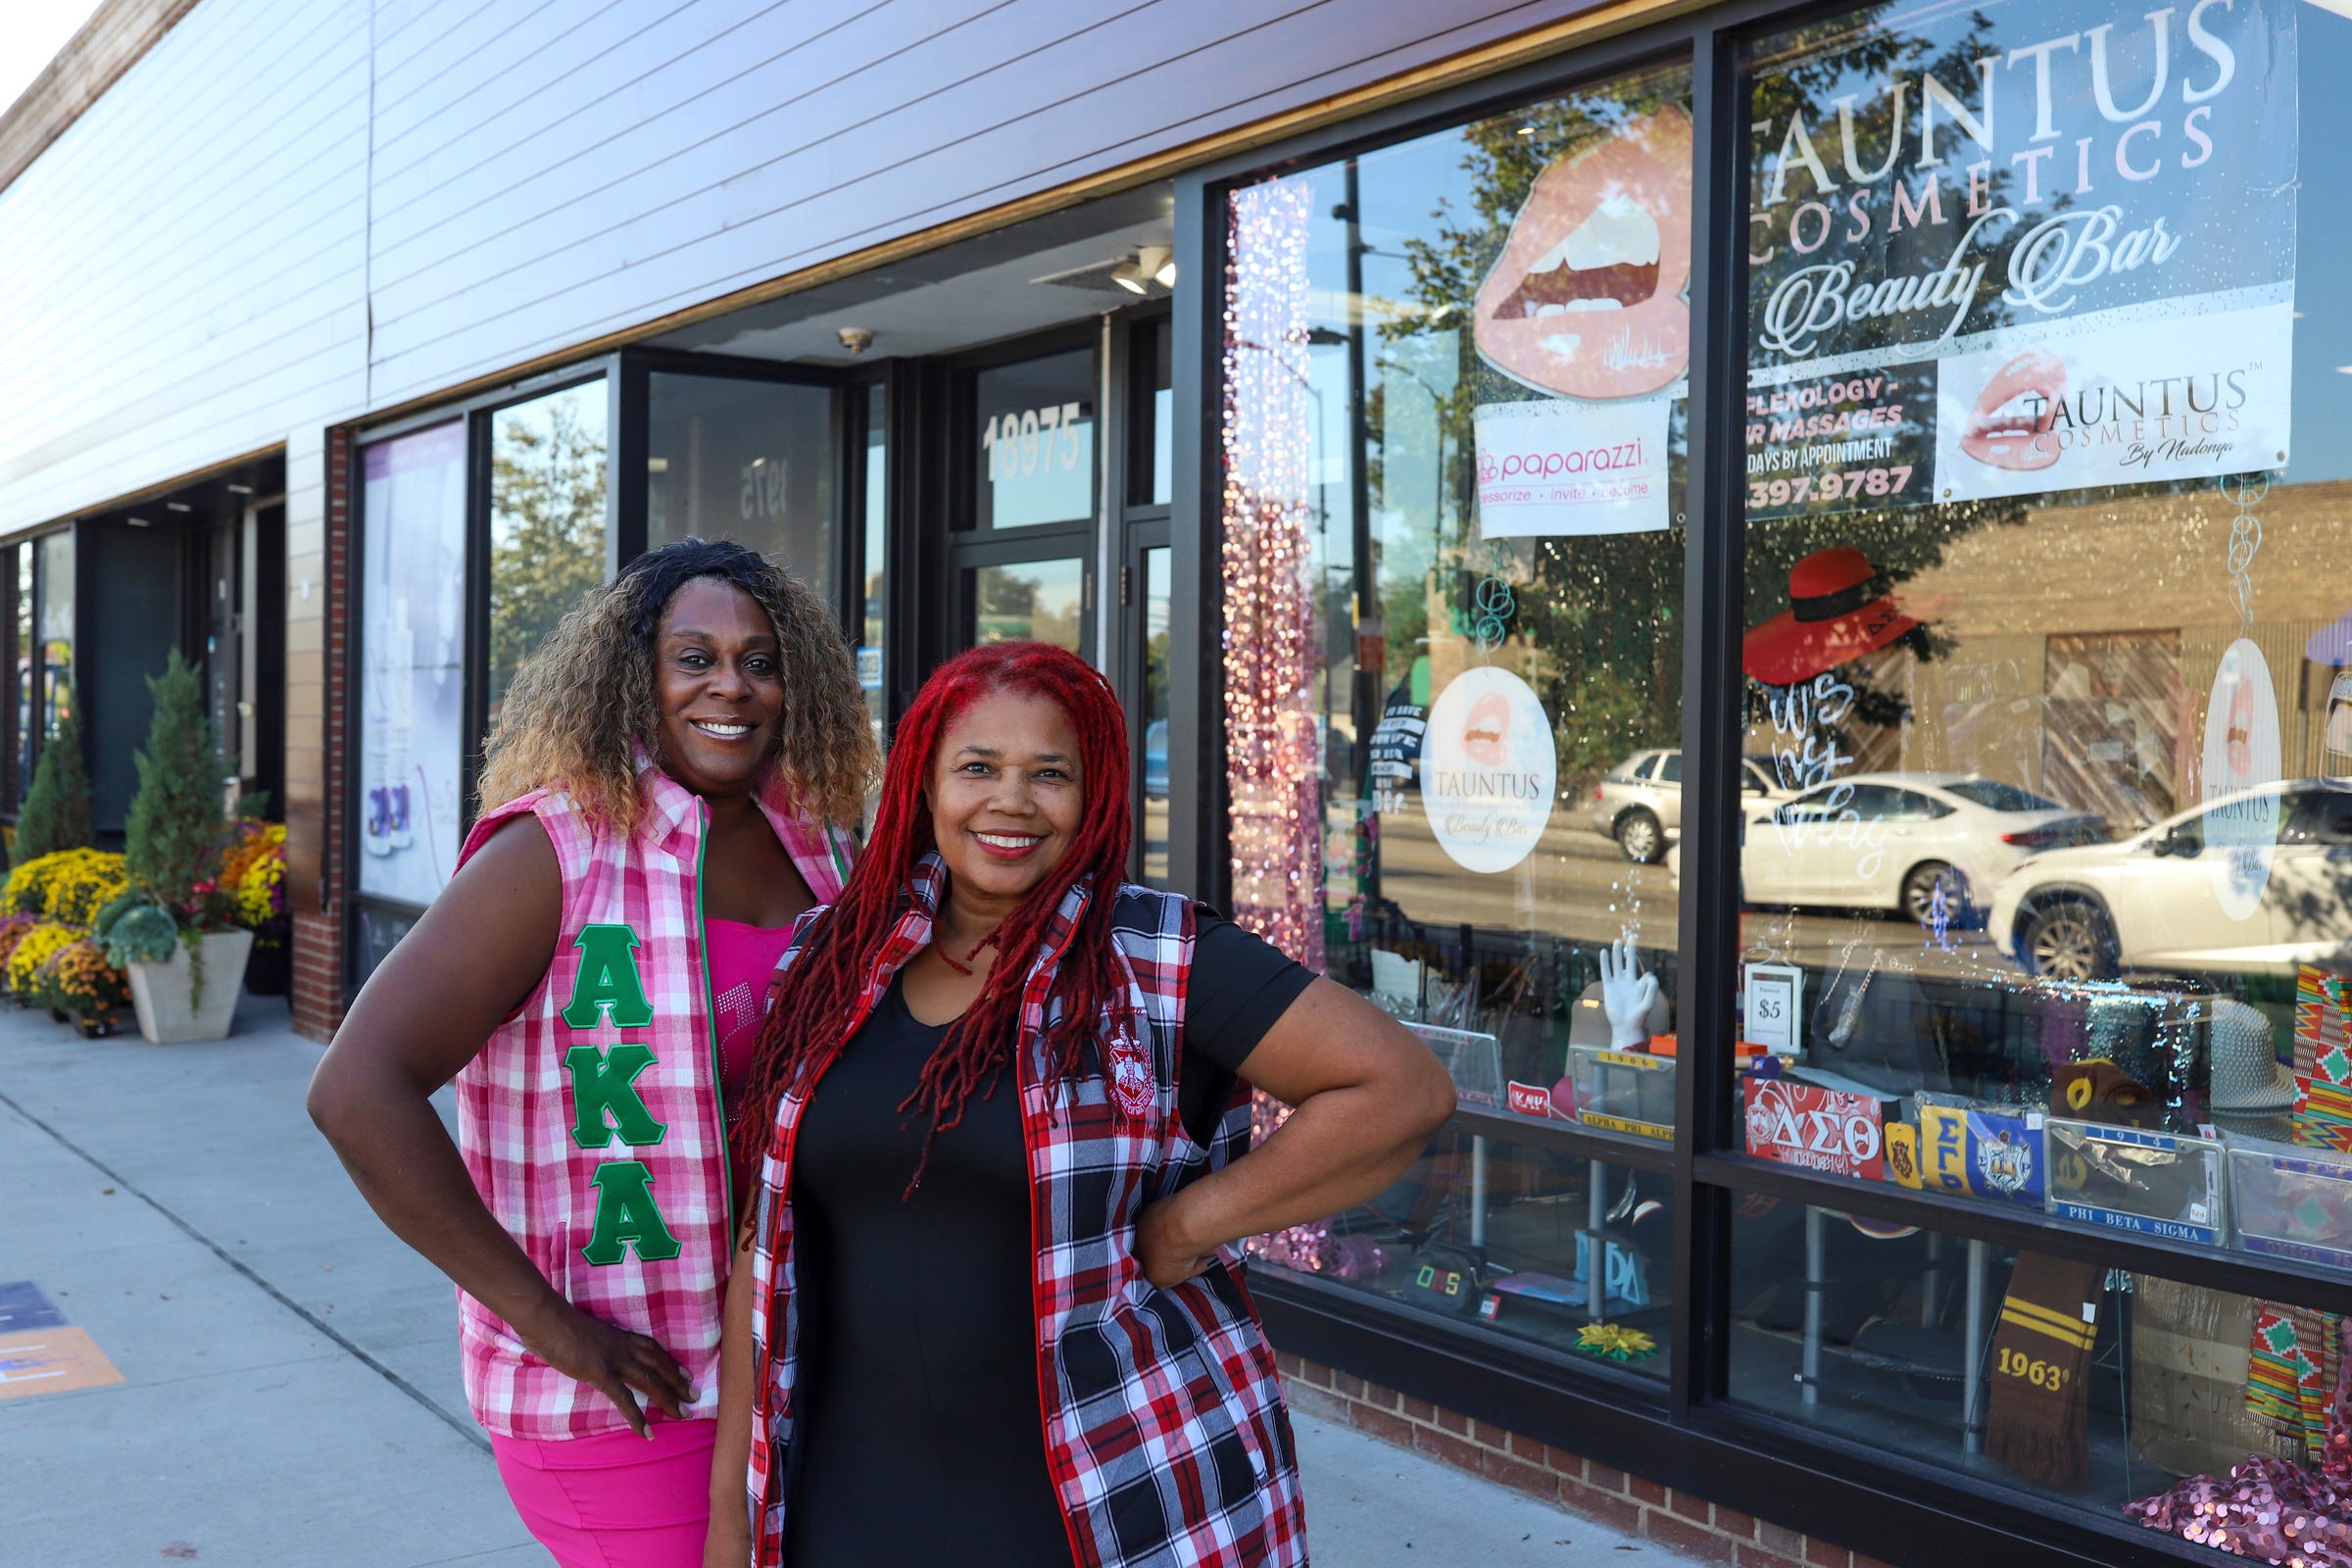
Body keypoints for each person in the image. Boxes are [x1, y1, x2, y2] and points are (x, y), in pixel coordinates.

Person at [703, 641, 1456, 1568]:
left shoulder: (1160, 957)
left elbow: (1401, 1090)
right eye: (977, 767)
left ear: (1091, 795)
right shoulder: (826, 958)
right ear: (924, 784)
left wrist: (1188, 1225)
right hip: (851, 1500)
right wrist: (730, 1518)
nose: (1010, 801)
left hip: (1110, 1498)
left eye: (1049, 773)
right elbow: (761, 1246)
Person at [310, 538, 878, 1568]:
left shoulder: (820, 843)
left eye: (760, 660)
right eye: (693, 656)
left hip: (788, 1360)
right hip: (623, 1393)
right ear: (635, 673)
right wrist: (546, 1321)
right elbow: (356, 1089)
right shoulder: (556, 849)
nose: (731, 686)